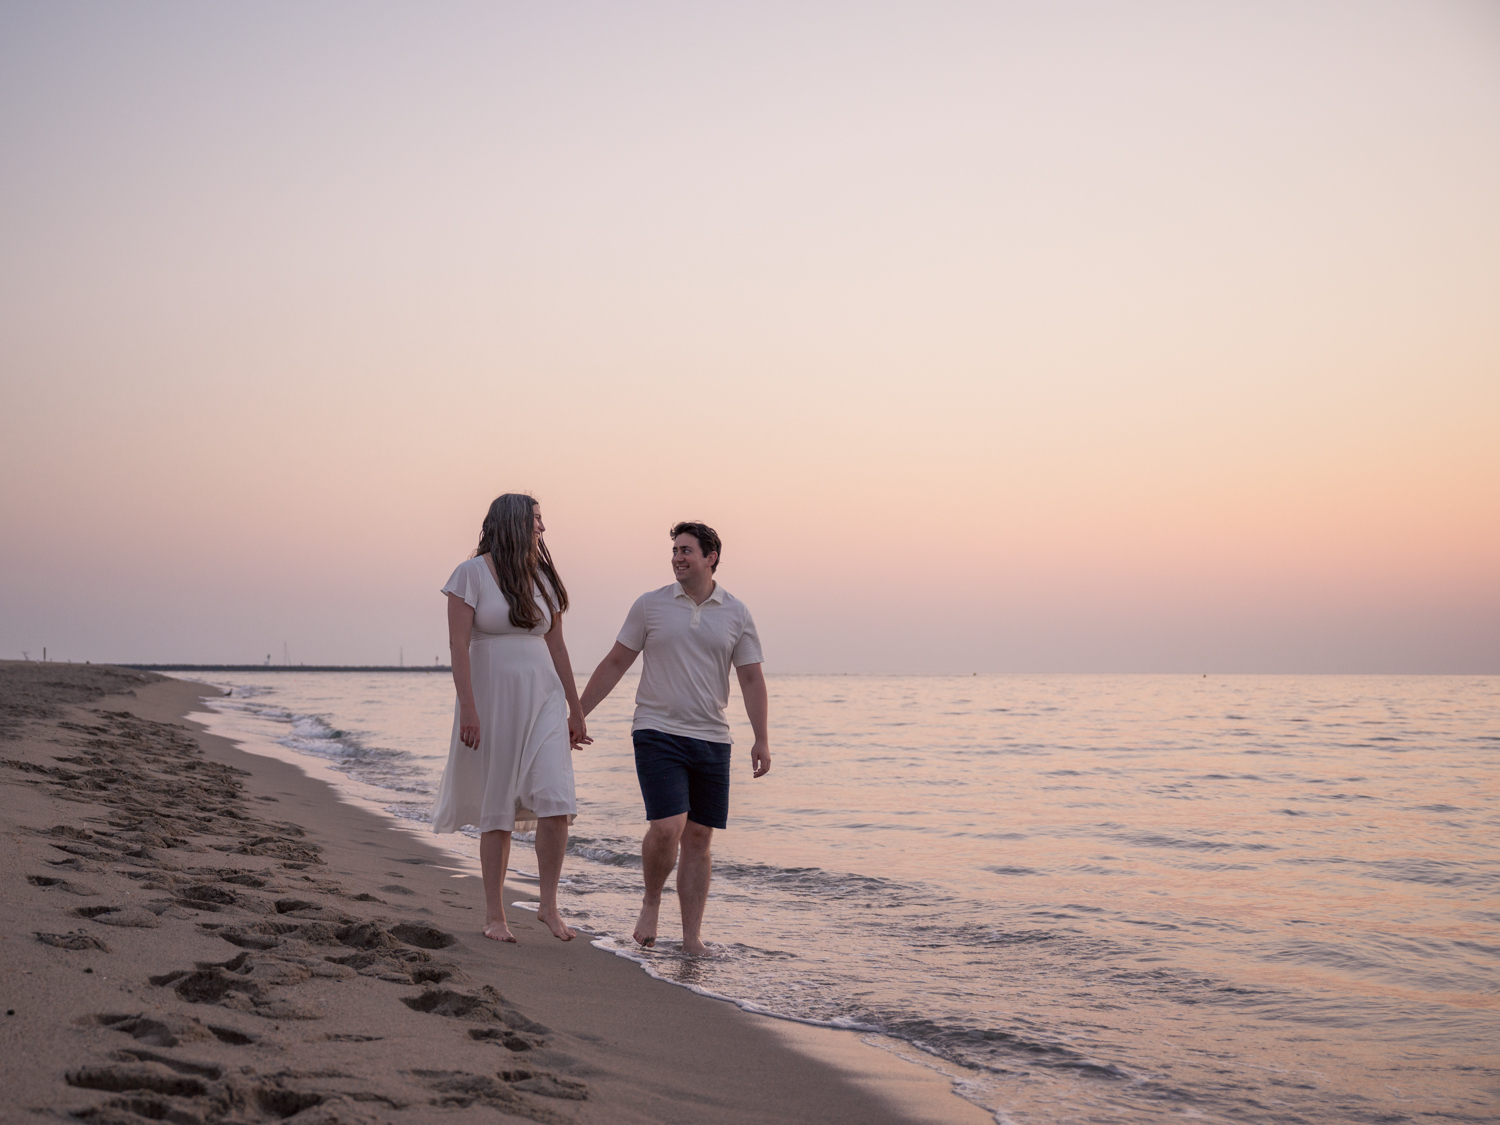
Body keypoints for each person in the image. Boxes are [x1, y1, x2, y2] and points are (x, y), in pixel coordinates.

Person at [580, 521, 769, 956]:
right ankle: (651, 903)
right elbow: (615, 663)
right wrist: (579, 715)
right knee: (667, 827)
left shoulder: (736, 612)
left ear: (711, 557)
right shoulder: (650, 605)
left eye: (687, 551)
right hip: (656, 730)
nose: (678, 557)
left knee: (700, 839)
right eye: (675, 551)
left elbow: (751, 678)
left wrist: (761, 738)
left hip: (712, 737)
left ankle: (691, 939)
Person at [432, 493, 589, 943]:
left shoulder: (543, 578)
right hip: (492, 698)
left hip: (544, 698)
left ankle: (548, 905)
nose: (543, 528)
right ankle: (494, 914)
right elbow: (458, 646)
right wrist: (469, 708)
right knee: (496, 807)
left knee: (556, 799)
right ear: (515, 522)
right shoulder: (470, 574)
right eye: (537, 519)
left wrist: (576, 710)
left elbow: (557, 646)